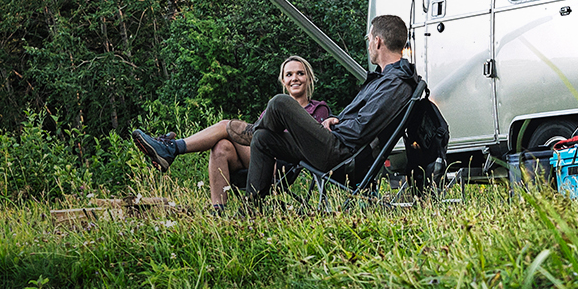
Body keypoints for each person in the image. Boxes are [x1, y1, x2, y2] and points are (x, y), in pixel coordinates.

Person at [241, 15, 417, 203]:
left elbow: (361, 130)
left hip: (343, 155)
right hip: (339, 146)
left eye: (369, 39)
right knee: (263, 138)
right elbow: (367, 120)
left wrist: (337, 128)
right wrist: (338, 120)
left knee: (280, 102)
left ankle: (249, 131)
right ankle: (252, 206)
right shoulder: (385, 79)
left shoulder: (395, 83)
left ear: (378, 41)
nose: (368, 46)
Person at [131, 55, 330, 210]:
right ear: (283, 81)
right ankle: (218, 211)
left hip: (282, 164)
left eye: (300, 73)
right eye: (289, 74)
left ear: (309, 78)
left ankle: (171, 148)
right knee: (221, 146)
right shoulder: (272, 109)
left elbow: (316, 141)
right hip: (258, 156)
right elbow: (255, 136)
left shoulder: (318, 109)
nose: (294, 78)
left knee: (227, 125)